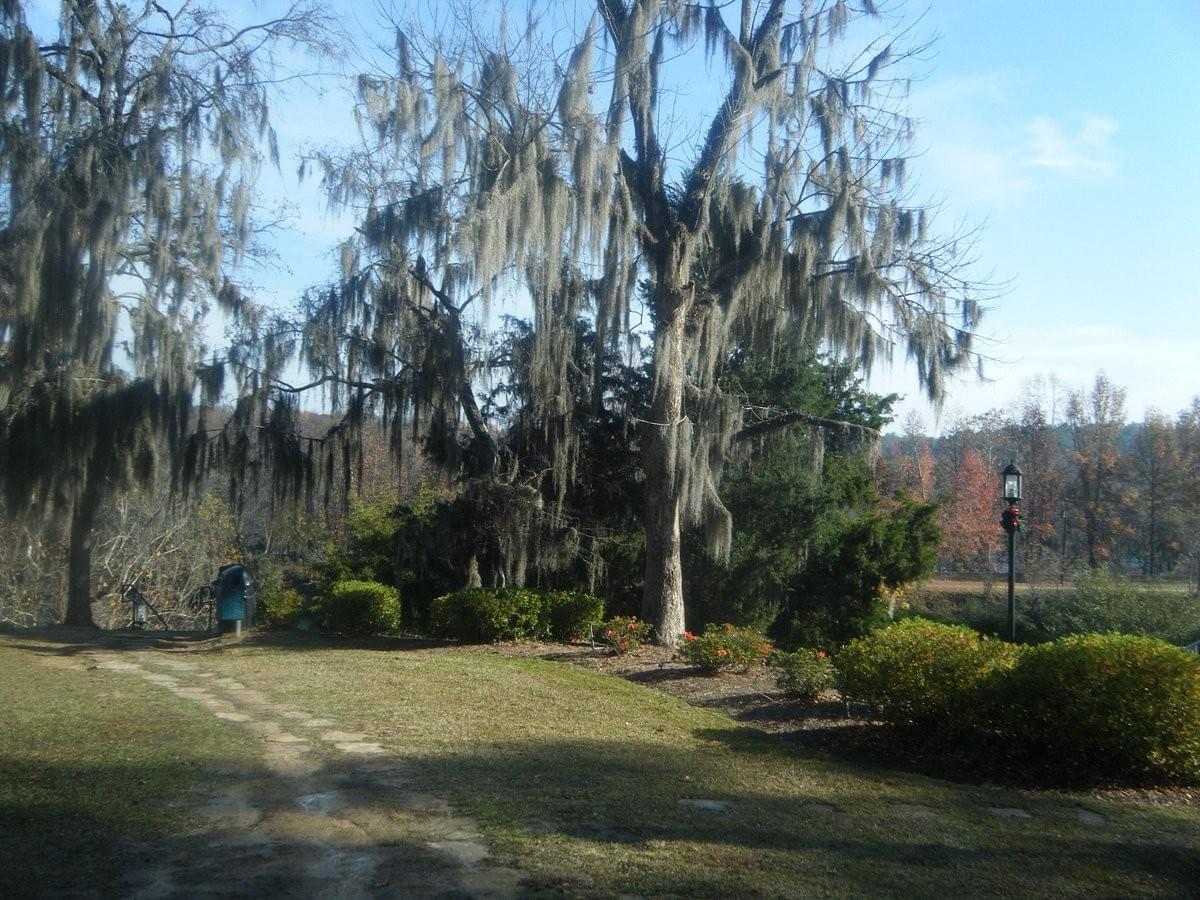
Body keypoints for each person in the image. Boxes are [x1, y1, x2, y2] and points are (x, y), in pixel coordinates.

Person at [214, 563, 251, 634]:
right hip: (232, 597)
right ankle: (226, 630)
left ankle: (227, 630)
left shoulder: (227, 573)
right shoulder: (234, 572)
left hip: (233, 597)